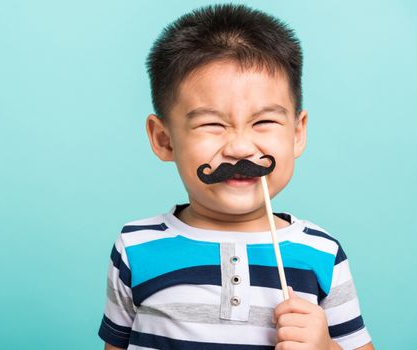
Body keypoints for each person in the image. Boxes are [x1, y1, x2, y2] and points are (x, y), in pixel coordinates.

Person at [98, 3, 374, 350]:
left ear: (297, 133)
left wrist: (326, 347)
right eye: (212, 124)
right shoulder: (135, 247)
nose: (241, 149)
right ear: (164, 139)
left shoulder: (321, 253)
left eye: (264, 122)